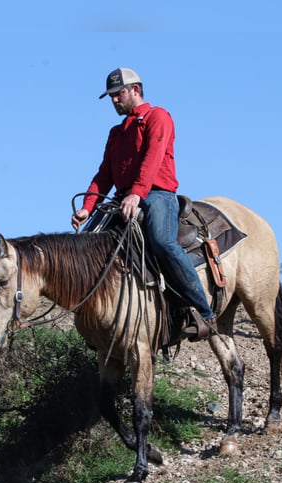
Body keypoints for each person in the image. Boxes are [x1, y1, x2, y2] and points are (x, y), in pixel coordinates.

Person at [71, 67, 216, 340]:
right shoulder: (116, 133)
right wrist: (87, 207)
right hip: (123, 198)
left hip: (157, 194)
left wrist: (136, 193)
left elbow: (153, 158)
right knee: (88, 243)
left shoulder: (157, 117)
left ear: (135, 90)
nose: (114, 100)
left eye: (119, 94)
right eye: (111, 96)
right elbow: (104, 174)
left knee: (162, 242)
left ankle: (203, 311)